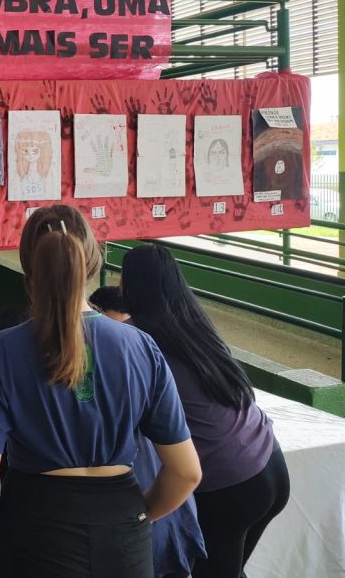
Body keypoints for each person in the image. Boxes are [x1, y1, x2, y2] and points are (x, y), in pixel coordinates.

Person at [0, 204, 202, 578]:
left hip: (32, 531)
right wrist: (135, 517)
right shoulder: (141, 346)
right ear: (94, 260)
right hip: (124, 535)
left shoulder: (0, 351)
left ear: (29, 268)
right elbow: (186, 472)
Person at [121, 244, 290, 578]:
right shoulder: (192, 321)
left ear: (130, 285)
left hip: (232, 485)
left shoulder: (136, 338)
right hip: (271, 464)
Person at [93, 285, 207, 578]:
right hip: (160, 523)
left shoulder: (143, 357)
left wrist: (141, 517)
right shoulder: (148, 351)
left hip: (150, 528)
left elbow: (187, 472)